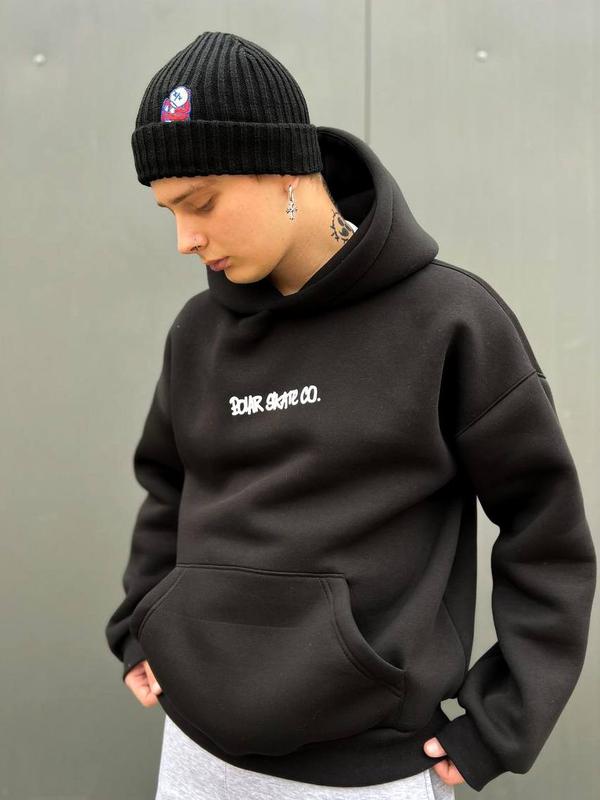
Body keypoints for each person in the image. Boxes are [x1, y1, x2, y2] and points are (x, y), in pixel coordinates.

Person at [104, 31, 596, 800]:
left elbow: (547, 527)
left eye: (201, 203)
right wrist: (142, 623)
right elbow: (167, 486)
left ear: (286, 171)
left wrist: (503, 717)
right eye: (169, 210)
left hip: (368, 772)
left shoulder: (449, 322)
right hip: (195, 754)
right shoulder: (198, 332)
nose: (184, 239)